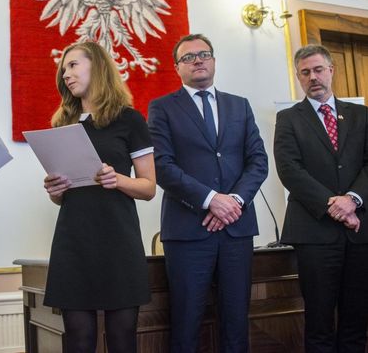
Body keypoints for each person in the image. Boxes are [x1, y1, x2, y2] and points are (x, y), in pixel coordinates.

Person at [147, 34, 268, 352]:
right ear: (177, 67)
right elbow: (162, 165)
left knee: (236, 323)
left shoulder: (239, 105)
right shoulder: (162, 108)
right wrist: (211, 200)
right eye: (188, 57)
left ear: (214, 60)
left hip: (236, 229)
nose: (198, 60)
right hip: (188, 231)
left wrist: (234, 202)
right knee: (186, 324)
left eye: (204, 54)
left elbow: (258, 161)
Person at [42, 41, 156, 353]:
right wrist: (55, 190)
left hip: (118, 240)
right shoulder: (62, 123)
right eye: (63, 69)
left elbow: (149, 188)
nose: (66, 74)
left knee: (122, 339)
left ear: (98, 66)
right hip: (73, 241)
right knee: (78, 340)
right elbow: (63, 197)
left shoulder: (130, 119)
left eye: (73, 65)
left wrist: (117, 179)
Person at [274, 44, 368, 352]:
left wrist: (352, 199)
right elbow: (290, 170)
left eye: (318, 70)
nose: (313, 77)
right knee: (319, 322)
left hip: (360, 233)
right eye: (305, 72)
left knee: (357, 321)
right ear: (298, 77)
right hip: (314, 233)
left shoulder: (361, 115)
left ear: (331, 70)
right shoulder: (288, 118)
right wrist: (334, 205)